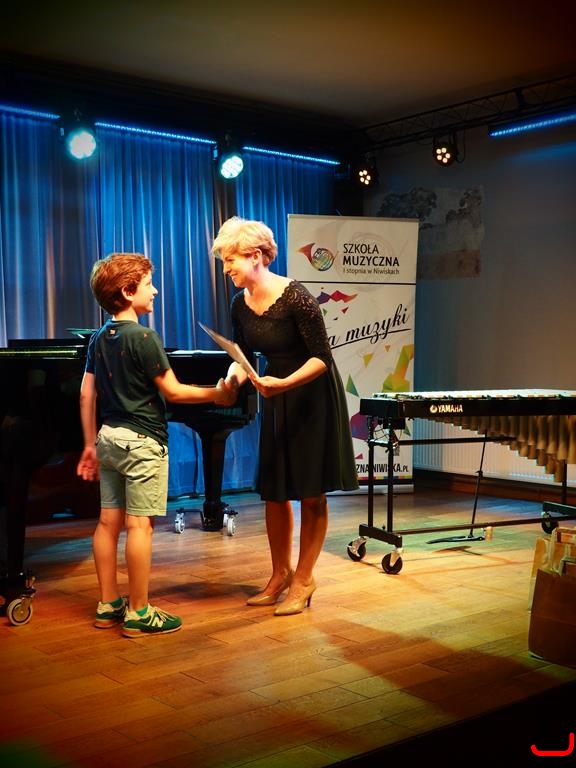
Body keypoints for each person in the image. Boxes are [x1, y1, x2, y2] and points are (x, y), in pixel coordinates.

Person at [76, 252, 234, 637]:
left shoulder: (99, 338)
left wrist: (89, 445)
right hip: (143, 442)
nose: (156, 290)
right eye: (149, 284)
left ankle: (108, 604)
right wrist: (218, 394)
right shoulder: (145, 338)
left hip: (108, 439)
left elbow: (85, 395)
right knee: (139, 526)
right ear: (128, 292)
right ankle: (139, 612)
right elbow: (174, 392)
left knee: (107, 523)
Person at [212, 217, 358, 616]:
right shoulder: (238, 304)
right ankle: (280, 574)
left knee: (311, 490)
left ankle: (305, 578)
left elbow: (322, 359)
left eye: (230, 260)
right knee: (275, 492)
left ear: (256, 256)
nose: (226, 269)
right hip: (276, 394)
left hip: (310, 395)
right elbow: (243, 357)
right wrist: (232, 379)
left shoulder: (297, 297)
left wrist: (283, 384)